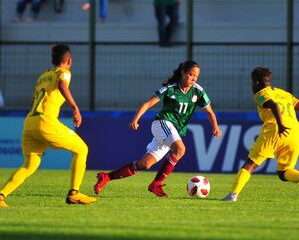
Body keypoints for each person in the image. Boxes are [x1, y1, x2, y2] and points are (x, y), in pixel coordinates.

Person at [0, 44, 96, 207]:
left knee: (30, 165)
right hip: (46, 122)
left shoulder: (43, 76)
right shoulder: (64, 72)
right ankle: (74, 193)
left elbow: (34, 100)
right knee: (82, 149)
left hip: (30, 123)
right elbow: (62, 85)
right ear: (69, 60)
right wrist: (75, 107)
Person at [94, 60, 222, 197]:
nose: (193, 79)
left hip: (173, 132)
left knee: (144, 164)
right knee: (180, 149)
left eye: (196, 76)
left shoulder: (198, 91)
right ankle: (157, 183)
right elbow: (148, 104)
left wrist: (215, 126)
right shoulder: (170, 88)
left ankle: (106, 177)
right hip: (162, 124)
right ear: (183, 73)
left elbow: (209, 112)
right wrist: (135, 119)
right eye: (191, 75)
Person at [223, 67, 299, 202]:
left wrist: (281, 125)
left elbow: (274, 106)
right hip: (295, 133)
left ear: (256, 83)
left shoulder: (260, 94)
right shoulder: (284, 94)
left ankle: (233, 195)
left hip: (276, 131)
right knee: (284, 172)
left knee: (250, 164)